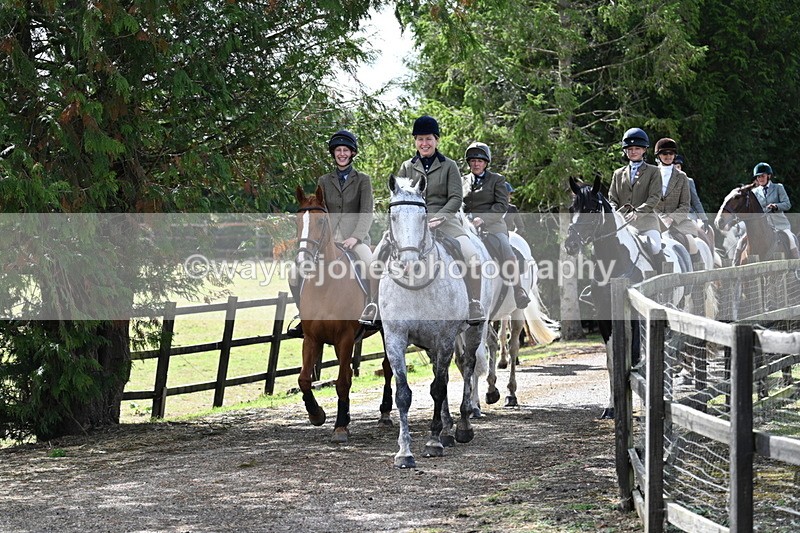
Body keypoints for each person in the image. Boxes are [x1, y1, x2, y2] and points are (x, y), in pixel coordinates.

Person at [358, 115, 486, 326]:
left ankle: (474, 303)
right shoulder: (407, 166)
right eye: (420, 139)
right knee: (376, 256)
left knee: (471, 255)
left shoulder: (449, 166)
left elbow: (455, 198)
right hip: (409, 225)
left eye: (428, 139)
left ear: (436, 140)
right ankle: (373, 305)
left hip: (445, 222)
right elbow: (398, 196)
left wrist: (438, 218)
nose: (424, 144)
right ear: (415, 142)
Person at [286, 129, 374, 338]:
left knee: (371, 265)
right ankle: (303, 315)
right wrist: (326, 238)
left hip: (356, 240)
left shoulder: (363, 180)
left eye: (345, 150)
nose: (341, 154)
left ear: (352, 153)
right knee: (293, 272)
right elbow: (320, 213)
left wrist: (356, 237)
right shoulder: (324, 180)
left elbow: (367, 212)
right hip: (328, 241)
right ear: (333, 154)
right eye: (338, 150)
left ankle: (372, 311)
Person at [462, 142, 530, 309]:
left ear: (486, 163)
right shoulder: (462, 181)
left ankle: (518, 289)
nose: (476, 164)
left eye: (479, 161)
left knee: (506, 249)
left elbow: (501, 206)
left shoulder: (497, 180)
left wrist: (482, 219)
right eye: (472, 161)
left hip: (492, 225)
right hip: (466, 225)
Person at [607, 127, 665, 271]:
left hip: (647, 223)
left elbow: (654, 197)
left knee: (655, 247)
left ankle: (663, 280)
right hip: (623, 225)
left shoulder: (654, 171)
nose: (633, 152)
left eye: (637, 148)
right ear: (625, 151)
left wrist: (638, 212)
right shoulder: (618, 174)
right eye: (630, 149)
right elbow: (612, 198)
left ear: (644, 150)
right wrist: (617, 213)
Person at [652, 138, 701, 264]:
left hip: (679, 222)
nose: (668, 156)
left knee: (692, 244)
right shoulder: (650, 175)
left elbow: (685, 204)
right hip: (655, 219)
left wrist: (672, 218)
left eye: (671, 153)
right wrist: (663, 217)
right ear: (658, 155)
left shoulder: (682, 177)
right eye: (664, 153)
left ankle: (698, 280)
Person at [752, 162, 798, 258]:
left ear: (768, 176)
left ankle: (797, 266)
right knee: (741, 242)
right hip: (763, 225)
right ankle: (735, 266)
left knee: (791, 240)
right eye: (758, 177)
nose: (760, 179)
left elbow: (787, 204)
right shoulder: (754, 192)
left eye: (762, 176)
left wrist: (776, 206)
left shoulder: (778, 188)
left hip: (780, 223)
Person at [675, 154, 710, 228]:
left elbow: (696, 201)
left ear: (681, 167)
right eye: (674, 167)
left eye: (678, 167)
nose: (676, 169)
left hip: (688, 214)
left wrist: (704, 218)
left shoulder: (688, 181)